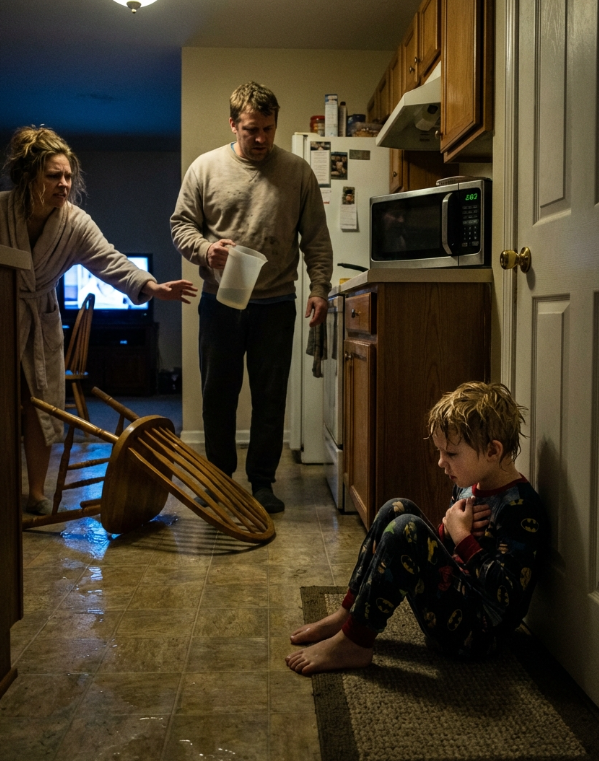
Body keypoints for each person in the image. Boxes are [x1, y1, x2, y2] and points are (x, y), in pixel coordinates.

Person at [0, 126, 198, 516]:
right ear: (27, 177)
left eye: (68, 176)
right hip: (4, 317)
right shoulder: (1, 211)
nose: (64, 184)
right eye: (53, 175)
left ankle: (36, 493)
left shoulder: (74, 223)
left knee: (41, 408)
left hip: (41, 321)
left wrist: (152, 287)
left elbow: (110, 259)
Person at [286, 382, 549, 674]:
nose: (441, 462)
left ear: (492, 450)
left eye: (451, 454)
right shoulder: (467, 486)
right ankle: (347, 614)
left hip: (479, 634)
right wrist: (448, 532)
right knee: (397, 508)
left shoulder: (521, 509)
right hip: (452, 599)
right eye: (440, 452)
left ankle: (355, 643)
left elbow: (507, 596)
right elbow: (444, 554)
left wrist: (462, 536)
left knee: (407, 529)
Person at [171, 81, 333, 514]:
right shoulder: (205, 168)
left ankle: (262, 482)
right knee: (217, 396)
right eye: (251, 130)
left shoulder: (298, 172)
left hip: (276, 303)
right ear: (233, 125)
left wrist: (320, 288)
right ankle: (219, 480)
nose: (261, 138)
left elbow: (316, 238)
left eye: (268, 128)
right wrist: (206, 249)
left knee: (270, 398)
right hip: (221, 303)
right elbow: (181, 226)